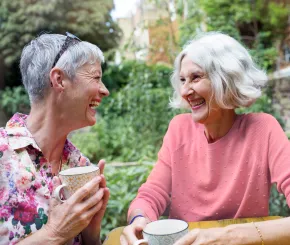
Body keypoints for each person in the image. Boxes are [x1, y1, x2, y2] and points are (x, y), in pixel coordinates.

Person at [120, 32, 290, 245]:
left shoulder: (263, 129)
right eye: (182, 80)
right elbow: (152, 193)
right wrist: (139, 218)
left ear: (226, 79)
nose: (184, 91)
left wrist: (229, 236)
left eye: (196, 77)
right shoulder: (178, 129)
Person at [0, 32, 110, 245]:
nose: (104, 90)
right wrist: (54, 234)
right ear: (59, 80)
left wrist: (90, 232)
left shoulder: (81, 165)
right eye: (96, 77)